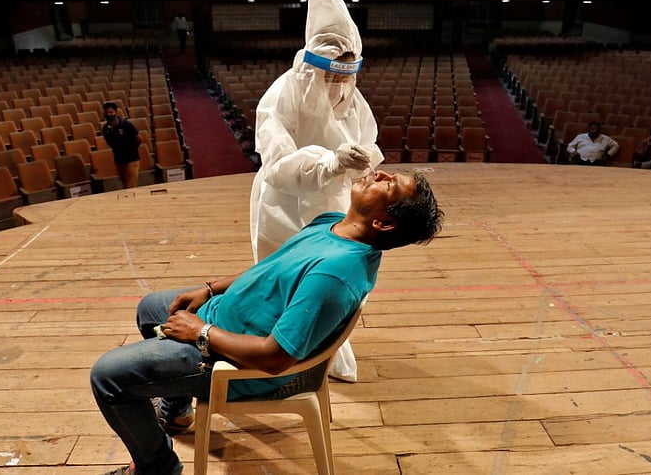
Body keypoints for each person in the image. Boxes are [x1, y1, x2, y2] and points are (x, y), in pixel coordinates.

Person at [91, 170, 444, 475]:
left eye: (389, 184)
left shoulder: (335, 273)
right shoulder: (332, 223)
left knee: (108, 377)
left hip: (236, 363)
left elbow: (275, 358)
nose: (379, 174)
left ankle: (157, 467)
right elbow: (269, 269)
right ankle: (177, 410)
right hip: (224, 319)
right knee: (150, 308)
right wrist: (210, 289)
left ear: (383, 222)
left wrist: (201, 332)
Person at [248, 0, 384, 382]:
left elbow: (367, 137)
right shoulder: (281, 96)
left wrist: (362, 159)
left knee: (327, 280)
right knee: (282, 278)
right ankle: (277, 354)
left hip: (334, 201)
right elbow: (277, 165)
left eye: (347, 75)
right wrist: (330, 162)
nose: (339, 86)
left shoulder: (350, 96)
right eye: (332, 75)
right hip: (283, 204)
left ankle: (323, 350)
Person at [102, 102, 143, 189]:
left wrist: (131, 148)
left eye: (111, 112)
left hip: (131, 158)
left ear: (116, 112)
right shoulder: (105, 128)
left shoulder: (126, 125)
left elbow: (139, 138)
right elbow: (109, 142)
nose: (109, 115)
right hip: (119, 159)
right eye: (106, 113)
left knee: (130, 187)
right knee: (125, 186)